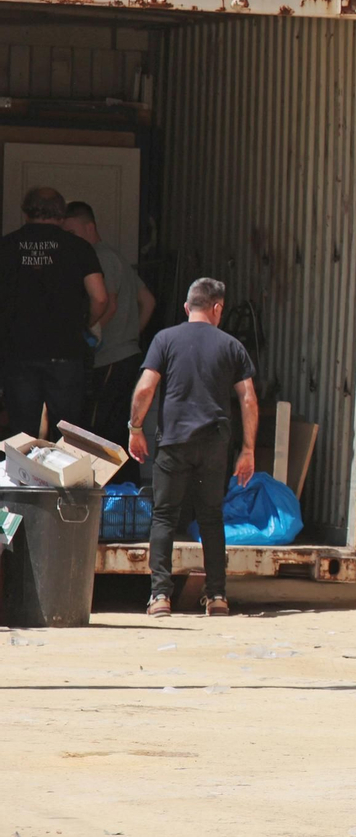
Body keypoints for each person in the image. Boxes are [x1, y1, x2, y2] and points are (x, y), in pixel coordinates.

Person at [129, 278, 258, 618]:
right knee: (211, 517)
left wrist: (136, 429)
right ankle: (217, 597)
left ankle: (159, 597)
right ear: (217, 309)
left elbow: (145, 389)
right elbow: (248, 398)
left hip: (174, 443)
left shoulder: (165, 339)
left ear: (188, 307)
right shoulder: (232, 346)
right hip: (215, 444)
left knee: (164, 515)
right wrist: (248, 449)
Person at [0, 187, 110, 437]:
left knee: (21, 435)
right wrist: (88, 324)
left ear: (26, 211)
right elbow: (100, 297)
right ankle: (65, 476)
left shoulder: (6, 247)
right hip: (66, 353)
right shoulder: (79, 247)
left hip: (18, 354)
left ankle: (22, 477)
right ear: (61, 213)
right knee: (68, 435)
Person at [64, 202, 155, 477]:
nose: (68, 237)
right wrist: (130, 335)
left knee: (98, 428)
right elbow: (148, 301)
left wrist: (89, 334)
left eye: (72, 231)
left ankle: (103, 492)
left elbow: (108, 304)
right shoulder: (117, 257)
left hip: (110, 358)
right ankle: (123, 495)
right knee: (117, 426)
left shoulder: (99, 257)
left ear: (89, 227)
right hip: (126, 355)